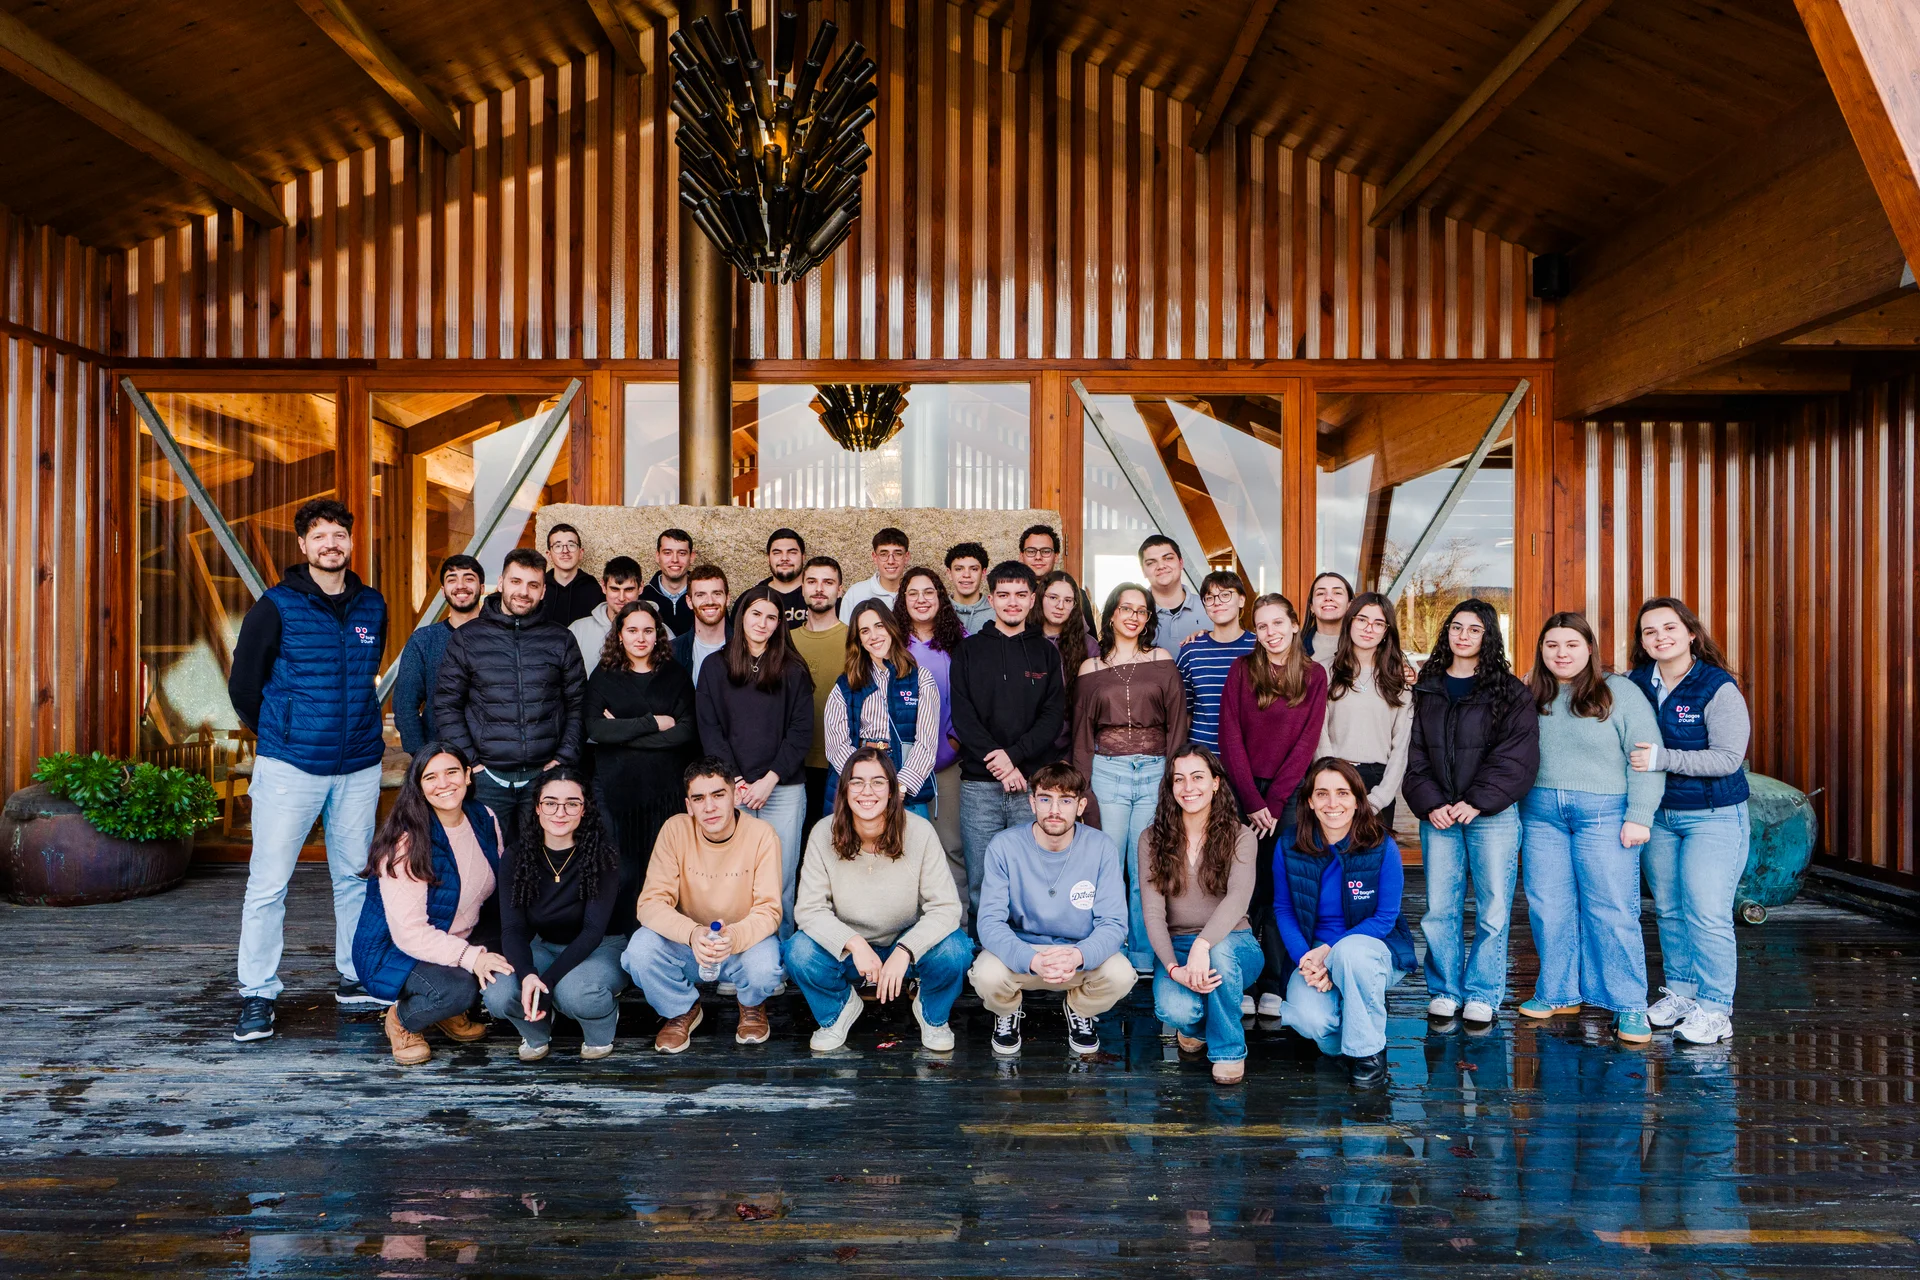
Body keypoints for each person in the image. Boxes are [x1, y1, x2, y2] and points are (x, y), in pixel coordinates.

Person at [229, 498, 390, 1042]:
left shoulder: (372, 605)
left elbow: (366, 673)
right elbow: (244, 687)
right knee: (269, 883)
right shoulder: (275, 605)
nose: (330, 544)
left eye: (339, 535)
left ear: (351, 541)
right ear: (302, 545)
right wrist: (283, 732)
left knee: (352, 878)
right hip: (290, 767)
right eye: (319, 536)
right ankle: (256, 993)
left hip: (359, 767)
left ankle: (352, 976)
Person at [1520, 611, 1665, 1044]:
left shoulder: (1618, 691)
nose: (1561, 653)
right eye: (1552, 645)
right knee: (1549, 906)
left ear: (1589, 649)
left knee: (1613, 908)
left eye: (1571, 645)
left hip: (1604, 813)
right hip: (1541, 813)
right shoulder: (1532, 692)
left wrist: (1640, 815)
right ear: (1541, 650)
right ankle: (1559, 991)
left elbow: (1646, 753)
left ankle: (1629, 1005)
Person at [1404, 597, 1540, 1025]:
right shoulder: (1426, 687)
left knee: (1493, 908)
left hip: (1491, 816)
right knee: (1439, 908)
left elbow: (1516, 757)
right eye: (1457, 628)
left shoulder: (1509, 691)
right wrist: (1431, 804)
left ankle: (1482, 992)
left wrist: (1477, 801)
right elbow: (1413, 753)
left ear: (1488, 636)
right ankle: (1445, 989)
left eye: (1474, 629)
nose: (1463, 636)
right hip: (1439, 817)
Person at [788, 748, 973, 1051]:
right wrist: (855, 943)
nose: (867, 792)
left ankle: (932, 1014)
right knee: (799, 951)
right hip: (851, 953)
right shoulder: (824, 832)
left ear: (891, 790)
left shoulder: (920, 832)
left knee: (956, 949)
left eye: (877, 782)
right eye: (857, 782)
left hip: (907, 949)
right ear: (844, 789)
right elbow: (809, 910)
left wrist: (906, 949)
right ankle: (838, 1010)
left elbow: (946, 908)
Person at [1627, 596, 1752, 1046]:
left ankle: (1717, 1009)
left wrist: (1664, 758)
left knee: (1707, 912)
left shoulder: (1717, 687)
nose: (1659, 637)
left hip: (1713, 817)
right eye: (1649, 632)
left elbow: (1727, 758)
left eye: (1668, 628)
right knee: (1670, 909)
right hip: (1660, 816)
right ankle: (1681, 993)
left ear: (1691, 634)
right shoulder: (1637, 683)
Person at [350, 744, 507, 1065]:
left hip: (458, 934)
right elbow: (410, 933)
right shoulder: (406, 842)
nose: (444, 783)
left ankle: (444, 1012)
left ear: (467, 775)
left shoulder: (484, 818)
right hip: (396, 950)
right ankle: (403, 1020)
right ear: (418, 786)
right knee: (460, 990)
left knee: (505, 967)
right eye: (431, 777)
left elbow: (498, 884)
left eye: (452, 772)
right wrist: (472, 957)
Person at [967, 762, 1138, 1056]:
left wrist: (1079, 955)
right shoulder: (1004, 846)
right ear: (1032, 802)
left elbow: (1113, 923)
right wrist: (1030, 960)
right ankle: (1007, 1010)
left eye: (1066, 800)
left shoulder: (1101, 847)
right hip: (1023, 953)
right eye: (1045, 798)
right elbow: (990, 923)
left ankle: (1079, 1009)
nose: (1054, 809)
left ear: (1081, 805)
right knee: (986, 975)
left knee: (1122, 974)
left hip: (1078, 954)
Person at [1273, 757, 1419, 1089]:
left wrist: (1329, 952)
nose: (1333, 803)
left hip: (1370, 953)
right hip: (1313, 959)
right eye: (1322, 794)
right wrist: (1306, 959)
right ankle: (1360, 1018)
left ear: (1357, 799)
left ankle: (1368, 1054)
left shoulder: (1382, 847)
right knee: (1313, 1021)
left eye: (1342, 793)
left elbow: (1384, 918)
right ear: (1310, 801)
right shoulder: (1288, 845)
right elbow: (1283, 909)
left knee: (1351, 954)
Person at [622, 758, 785, 1052]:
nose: (709, 807)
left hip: (741, 943)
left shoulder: (762, 835)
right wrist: (693, 933)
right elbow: (650, 903)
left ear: (735, 794)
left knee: (766, 966)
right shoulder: (675, 830)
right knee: (639, 951)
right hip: (690, 945)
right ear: (689, 805)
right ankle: (681, 1008)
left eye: (718, 795)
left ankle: (750, 1004)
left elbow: (769, 911)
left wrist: (733, 937)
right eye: (699, 798)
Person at [1218, 593, 1329, 1016]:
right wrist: (1251, 801)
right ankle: (1242, 979)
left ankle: (1273, 984)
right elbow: (1230, 739)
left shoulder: (1314, 676)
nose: (1270, 633)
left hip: (1289, 796)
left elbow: (1306, 743)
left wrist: (1276, 802)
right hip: (1243, 795)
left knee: (1282, 890)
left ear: (1295, 624)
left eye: (1277, 623)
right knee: (1243, 888)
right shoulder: (1242, 670)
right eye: (1261, 626)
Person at [435, 547, 587, 846]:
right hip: (487, 778)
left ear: (544, 590)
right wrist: (472, 763)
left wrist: (563, 759)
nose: (524, 592)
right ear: (501, 582)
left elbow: (578, 704)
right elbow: (447, 704)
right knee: (488, 865)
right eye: (516, 582)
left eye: (533, 585)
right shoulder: (468, 638)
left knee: (543, 863)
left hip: (544, 778)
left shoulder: (561, 639)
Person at [1074, 583, 1188, 972]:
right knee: (1107, 866)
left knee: (1146, 869)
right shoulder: (1090, 668)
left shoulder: (1162, 658)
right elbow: (1082, 733)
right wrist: (1082, 786)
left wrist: (1174, 777)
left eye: (1142, 611)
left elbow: (1177, 724)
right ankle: (1106, 950)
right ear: (1110, 615)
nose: (1133, 616)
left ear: (1148, 619)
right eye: (1126, 608)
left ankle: (1142, 954)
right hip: (1107, 772)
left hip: (1155, 770)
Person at [480, 767, 628, 1060]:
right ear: (537, 808)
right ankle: (536, 1033)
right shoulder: (517, 855)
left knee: (575, 993)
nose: (560, 812)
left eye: (572, 803)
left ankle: (600, 1025)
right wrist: (528, 976)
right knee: (498, 992)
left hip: (601, 946)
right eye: (550, 802)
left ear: (584, 810)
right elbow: (512, 930)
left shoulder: (602, 854)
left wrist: (545, 982)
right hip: (545, 945)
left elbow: (592, 931)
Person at [951, 561, 1067, 930]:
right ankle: (985, 950)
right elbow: (964, 717)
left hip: (1032, 785)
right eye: (1004, 595)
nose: (1012, 602)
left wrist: (1014, 759)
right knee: (982, 878)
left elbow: (1052, 718)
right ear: (991, 599)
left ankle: (1030, 952)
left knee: (1032, 874)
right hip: (979, 785)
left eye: (1020, 595)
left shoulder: (1047, 654)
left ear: (1032, 599)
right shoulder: (968, 652)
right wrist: (1000, 765)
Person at [694, 583, 814, 936]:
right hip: (734, 791)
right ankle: (735, 952)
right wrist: (736, 781)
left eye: (772, 617)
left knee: (780, 876)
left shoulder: (793, 669)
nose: (763, 623)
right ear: (742, 614)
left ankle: (779, 956)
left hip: (783, 788)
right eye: (756, 614)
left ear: (780, 624)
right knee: (734, 878)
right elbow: (709, 727)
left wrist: (770, 778)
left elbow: (800, 731)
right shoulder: (715, 667)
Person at [1140, 747, 1260, 1084]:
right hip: (1177, 946)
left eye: (1198, 777)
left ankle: (1228, 1051)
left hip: (1233, 943)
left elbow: (1238, 899)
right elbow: (1152, 911)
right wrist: (1173, 967)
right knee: (1175, 1010)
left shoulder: (1241, 835)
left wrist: (1203, 944)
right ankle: (1199, 1026)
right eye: (1179, 779)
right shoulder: (1151, 839)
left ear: (1216, 783)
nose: (1188, 787)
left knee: (1218, 955)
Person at [585, 600, 697, 930]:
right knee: (621, 868)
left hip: (663, 790)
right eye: (632, 630)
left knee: (659, 867)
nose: (640, 638)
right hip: (614, 790)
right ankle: (619, 938)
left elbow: (687, 731)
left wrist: (622, 732)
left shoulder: (675, 675)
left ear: (658, 635)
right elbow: (594, 728)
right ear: (619, 635)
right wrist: (652, 722)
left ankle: (658, 935)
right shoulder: (604, 676)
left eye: (648, 630)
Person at [892, 565, 971, 918]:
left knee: (950, 847)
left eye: (929, 592)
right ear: (902, 599)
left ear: (940, 597)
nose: (921, 600)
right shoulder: (890, 641)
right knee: (901, 848)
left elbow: (971, 701)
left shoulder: (961, 642)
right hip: (898, 766)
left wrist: (953, 745)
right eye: (913, 593)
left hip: (946, 761)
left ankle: (957, 931)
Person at [825, 601, 940, 818]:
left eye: (879, 626)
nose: (874, 636)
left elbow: (926, 745)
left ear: (891, 627)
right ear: (858, 639)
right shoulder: (846, 684)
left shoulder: (921, 679)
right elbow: (836, 746)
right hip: (860, 793)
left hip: (906, 791)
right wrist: (864, 786)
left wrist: (899, 788)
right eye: (865, 631)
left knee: (910, 849)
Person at [1316, 592, 1413, 827]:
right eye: (1362, 619)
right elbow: (1319, 733)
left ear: (1386, 632)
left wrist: (1379, 799)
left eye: (1378, 623)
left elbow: (1401, 747)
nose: (1369, 628)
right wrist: (1331, 783)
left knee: (1371, 860)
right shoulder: (1324, 671)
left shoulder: (1399, 678)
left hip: (1378, 781)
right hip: (1335, 776)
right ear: (1350, 622)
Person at [393, 554, 484, 756]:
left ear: (482, 588)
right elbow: (404, 706)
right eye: (452, 579)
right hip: (442, 758)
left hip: (494, 761)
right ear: (443, 591)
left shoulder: (500, 637)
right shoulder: (424, 640)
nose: (461, 586)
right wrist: (423, 756)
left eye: (469, 578)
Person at [788, 556, 849, 836]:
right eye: (812, 582)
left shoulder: (855, 640)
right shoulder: (784, 641)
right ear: (802, 588)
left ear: (841, 589)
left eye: (828, 582)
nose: (819, 589)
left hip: (840, 764)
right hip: (791, 765)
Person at [1175, 569, 1255, 753]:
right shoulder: (1191, 651)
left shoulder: (1260, 648)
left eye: (1225, 595)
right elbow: (1183, 714)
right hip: (1202, 758)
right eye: (1210, 598)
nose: (1217, 602)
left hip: (1248, 758)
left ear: (1242, 600)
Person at [569, 555, 644, 668]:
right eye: (615, 589)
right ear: (603, 587)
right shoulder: (577, 631)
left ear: (641, 587)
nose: (621, 597)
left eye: (629, 589)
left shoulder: (659, 631)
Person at [1138, 534, 1207, 649]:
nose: (1161, 566)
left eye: (1168, 558)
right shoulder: (1134, 614)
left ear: (1181, 563)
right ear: (1143, 571)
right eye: (1151, 562)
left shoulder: (1210, 608)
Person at [1021, 524, 1095, 629]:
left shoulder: (1077, 595)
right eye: (1031, 551)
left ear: (1056, 556)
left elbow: (1089, 640)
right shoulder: (1014, 596)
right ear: (1021, 556)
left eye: (1046, 551)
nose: (1038, 557)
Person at [671, 563, 732, 686]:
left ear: (728, 599)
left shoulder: (746, 647)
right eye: (700, 595)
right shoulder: (673, 652)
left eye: (717, 593)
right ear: (689, 601)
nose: (710, 601)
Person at [839, 526, 911, 622]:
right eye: (883, 554)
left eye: (898, 553)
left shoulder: (917, 593)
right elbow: (846, 634)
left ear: (906, 557)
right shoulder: (855, 594)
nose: (890, 561)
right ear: (874, 557)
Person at [741, 528, 809, 628]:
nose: (784, 558)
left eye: (792, 552)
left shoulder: (819, 595)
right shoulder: (749, 599)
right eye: (777, 553)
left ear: (803, 557)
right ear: (768, 558)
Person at [539, 523, 601, 626]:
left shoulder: (594, 590)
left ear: (580, 553)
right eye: (558, 546)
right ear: (549, 555)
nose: (565, 551)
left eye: (571, 545)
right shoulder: (539, 588)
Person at [640, 527, 696, 637]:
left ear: (692, 557)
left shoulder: (704, 596)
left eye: (682, 553)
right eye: (667, 553)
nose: (675, 559)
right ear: (657, 556)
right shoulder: (643, 598)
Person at [1302, 571, 1353, 668]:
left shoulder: (1363, 646)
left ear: (1349, 605)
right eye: (1320, 593)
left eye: (1337, 592)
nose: (1328, 598)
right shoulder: (1293, 647)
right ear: (1311, 607)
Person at [944, 541, 995, 634]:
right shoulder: (938, 611)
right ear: (949, 573)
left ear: (983, 573)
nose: (966, 575)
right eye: (959, 569)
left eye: (974, 569)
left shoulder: (997, 613)